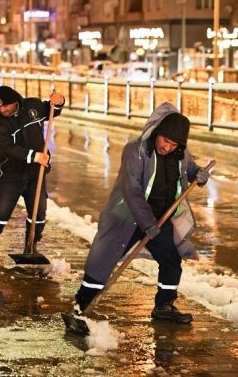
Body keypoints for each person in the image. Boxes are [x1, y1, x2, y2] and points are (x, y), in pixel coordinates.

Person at [70, 103, 210, 323]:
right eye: (165, 141)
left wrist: (198, 174)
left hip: (160, 217)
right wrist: (147, 223)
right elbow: (132, 191)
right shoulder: (136, 150)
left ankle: (164, 305)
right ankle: (82, 305)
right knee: (103, 259)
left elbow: (188, 168)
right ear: (156, 132)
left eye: (174, 144)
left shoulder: (180, 153)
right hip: (127, 216)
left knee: (171, 260)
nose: (168, 147)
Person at [0, 85, 66, 262]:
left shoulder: (33, 106)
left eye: (6, 106)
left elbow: (51, 111)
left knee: (38, 213)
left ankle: (31, 247)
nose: (2, 109)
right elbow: (8, 149)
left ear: (16, 102)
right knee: (0, 211)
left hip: (36, 173)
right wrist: (34, 156)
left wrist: (59, 102)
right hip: (11, 174)